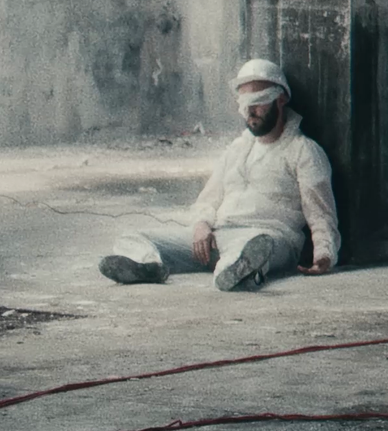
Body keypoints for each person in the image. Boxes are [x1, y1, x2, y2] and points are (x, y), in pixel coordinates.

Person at [98, 59, 340, 291]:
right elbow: (209, 199)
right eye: (245, 104)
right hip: (220, 235)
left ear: (281, 99)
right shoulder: (236, 149)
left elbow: (320, 213)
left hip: (271, 237)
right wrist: (202, 225)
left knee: (252, 249)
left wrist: (324, 255)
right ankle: (149, 266)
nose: (250, 111)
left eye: (259, 102)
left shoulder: (304, 152)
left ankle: (239, 270)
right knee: (132, 238)